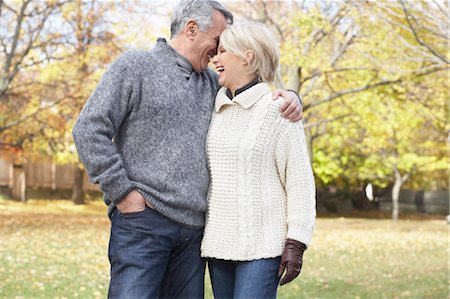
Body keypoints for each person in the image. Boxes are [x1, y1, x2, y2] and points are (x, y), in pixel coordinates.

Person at [72, 0, 303, 298]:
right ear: (191, 29)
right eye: (217, 42)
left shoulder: (212, 84)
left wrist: (292, 98)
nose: (219, 52)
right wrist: (123, 194)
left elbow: (252, 95)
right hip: (143, 225)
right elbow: (89, 128)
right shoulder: (135, 67)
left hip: (194, 237)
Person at [201, 22, 316, 299]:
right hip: (218, 245)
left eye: (223, 51)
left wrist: (296, 242)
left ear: (248, 56)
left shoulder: (278, 111)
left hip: (264, 246)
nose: (215, 58)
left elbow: (299, 181)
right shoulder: (213, 108)